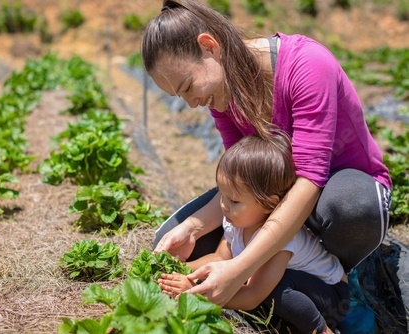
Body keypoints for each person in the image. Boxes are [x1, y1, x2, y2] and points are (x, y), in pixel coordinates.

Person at [142, 0, 392, 309]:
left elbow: (310, 179)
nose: (192, 103)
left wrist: (239, 268)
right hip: (277, 192)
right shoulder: (223, 93)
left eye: (189, 86)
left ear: (209, 46)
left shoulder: (307, 65)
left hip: (334, 190)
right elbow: (240, 182)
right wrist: (192, 228)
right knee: (173, 245)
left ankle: (345, 278)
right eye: (180, 96)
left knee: (350, 209)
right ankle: (286, 278)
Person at [158, 133, 350, 333]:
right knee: (262, 288)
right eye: (222, 195)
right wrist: (183, 272)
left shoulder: (282, 240)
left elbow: (253, 295)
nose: (224, 206)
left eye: (234, 200)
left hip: (330, 296)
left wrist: (193, 293)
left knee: (273, 290)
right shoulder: (236, 221)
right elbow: (219, 258)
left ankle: (320, 329)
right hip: (294, 291)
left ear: (270, 203)